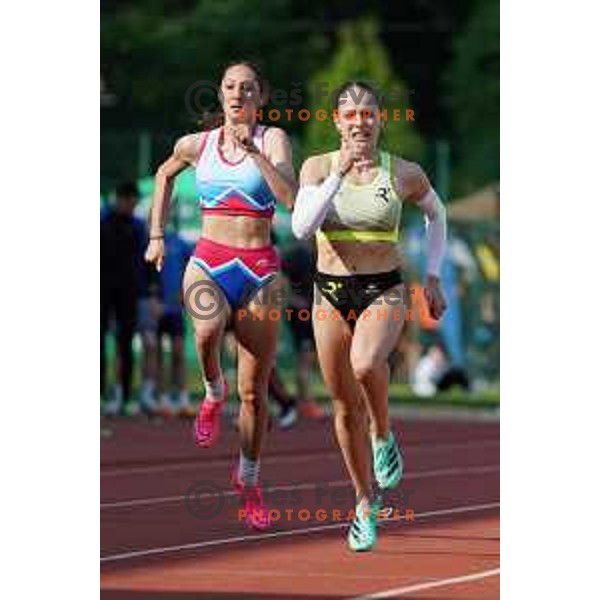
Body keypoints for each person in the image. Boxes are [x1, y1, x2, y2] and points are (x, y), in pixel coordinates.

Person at [292, 81, 447, 551]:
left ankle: (383, 433)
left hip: (384, 287)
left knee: (365, 365)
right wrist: (337, 175)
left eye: (368, 114)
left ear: (380, 120)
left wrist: (434, 277)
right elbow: (302, 227)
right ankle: (364, 504)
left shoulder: (404, 173)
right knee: (342, 406)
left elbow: (436, 214)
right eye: (350, 114)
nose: (360, 121)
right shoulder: (317, 168)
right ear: (337, 122)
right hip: (329, 291)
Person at [144, 61, 296, 530]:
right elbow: (164, 175)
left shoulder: (273, 141)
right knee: (207, 329)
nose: (237, 95)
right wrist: (157, 234)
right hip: (210, 260)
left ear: (260, 97)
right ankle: (212, 389)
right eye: (230, 87)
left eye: (247, 88)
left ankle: (248, 480)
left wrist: (257, 155)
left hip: (260, 269)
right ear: (221, 94)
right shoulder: (197, 144)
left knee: (255, 394)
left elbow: (290, 199)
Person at [101, 182, 156, 415]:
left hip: (129, 292)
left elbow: (147, 259)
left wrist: (151, 290)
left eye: (135, 203)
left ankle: (123, 396)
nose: (132, 207)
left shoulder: (137, 226)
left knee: (126, 344)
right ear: (120, 199)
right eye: (130, 202)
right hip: (102, 290)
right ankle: (100, 396)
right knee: (98, 343)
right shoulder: (102, 222)